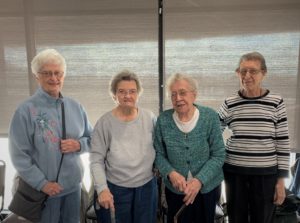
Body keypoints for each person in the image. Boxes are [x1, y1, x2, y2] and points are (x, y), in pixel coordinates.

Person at [8, 49, 93, 223]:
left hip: (72, 188)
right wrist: (42, 184)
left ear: (64, 75)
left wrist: (79, 145)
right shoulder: (25, 111)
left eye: (58, 73)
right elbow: (19, 156)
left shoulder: (76, 107)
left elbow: (93, 140)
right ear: (36, 76)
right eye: (47, 73)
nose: (54, 78)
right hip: (43, 191)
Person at [218, 51, 291, 223]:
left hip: (266, 176)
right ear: (238, 73)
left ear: (263, 73)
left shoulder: (276, 102)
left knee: (263, 219)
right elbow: (215, 133)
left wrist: (281, 182)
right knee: (236, 219)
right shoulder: (229, 103)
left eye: (253, 71)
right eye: (243, 71)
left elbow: (282, 142)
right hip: (234, 173)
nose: (247, 76)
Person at [154, 73, 225, 223]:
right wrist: (171, 173)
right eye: (173, 94)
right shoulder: (163, 120)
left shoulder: (210, 117)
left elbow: (218, 155)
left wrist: (199, 180)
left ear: (194, 94)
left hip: (207, 188)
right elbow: (158, 154)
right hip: (176, 190)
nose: (178, 98)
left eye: (182, 93)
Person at [90, 70, 157, 223]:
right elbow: (96, 160)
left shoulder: (150, 118)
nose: (127, 96)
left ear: (138, 94)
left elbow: (160, 150)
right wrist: (102, 189)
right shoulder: (104, 123)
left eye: (132, 91)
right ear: (114, 94)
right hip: (115, 189)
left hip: (146, 188)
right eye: (122, 91)